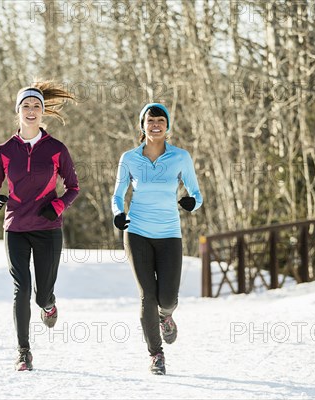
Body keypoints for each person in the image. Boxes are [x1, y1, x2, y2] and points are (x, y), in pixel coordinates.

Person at [0, 81, 79, 371]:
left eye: (36, 105)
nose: (31, 110)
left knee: (41, 294)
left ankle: (49, 305)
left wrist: (58, 206)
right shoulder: (4, 150)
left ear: (43, 112)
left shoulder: (55, 149)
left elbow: (73, 186)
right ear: (18, 111)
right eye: (26, 105)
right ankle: (23, 351)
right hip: (15, 227)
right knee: (21, 288)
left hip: (47, 228)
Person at [111, 103, 203, 375]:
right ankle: (155, 354)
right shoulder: (129, 158)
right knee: (147, 296)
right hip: (137, 232)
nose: (155, 124)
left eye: (160, 120)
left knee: (167, 298)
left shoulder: (180, 157)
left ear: (168, 125)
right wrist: (119, 213)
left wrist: (191, 203)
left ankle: (166, 316)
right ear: (142, 125)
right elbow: (117, 195)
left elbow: (196, 194)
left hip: (169, 234)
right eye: (150, 120)